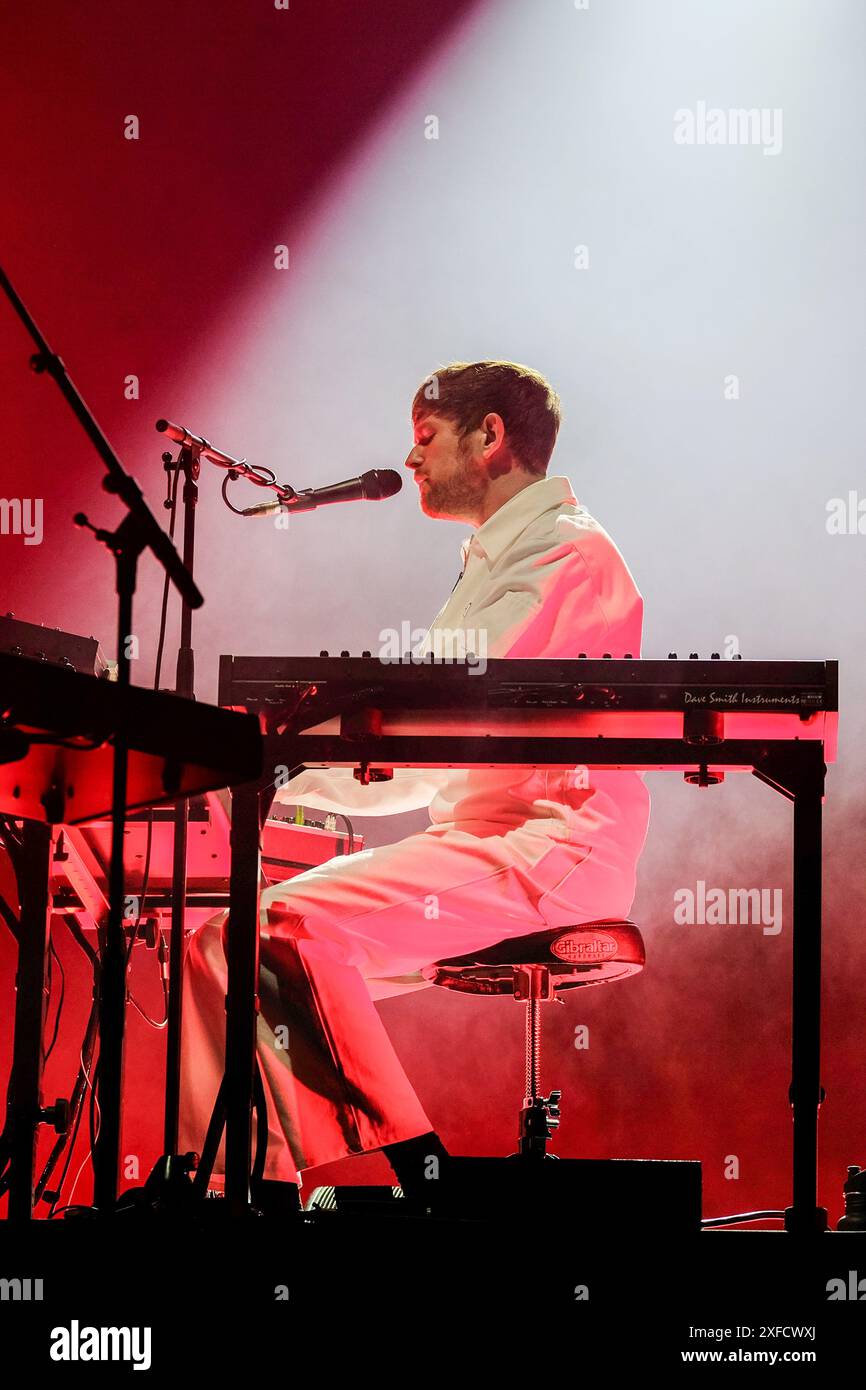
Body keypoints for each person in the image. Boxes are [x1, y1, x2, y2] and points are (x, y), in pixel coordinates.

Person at [178, 360, 651, 1203]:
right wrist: (277, 763)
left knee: (280, 928)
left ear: (491, 436)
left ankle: (415, 1185)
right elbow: (420, 743)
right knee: (221, 942)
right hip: (482, 837)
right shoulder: (499, 557)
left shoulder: (565, 554)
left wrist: (273, 761)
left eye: (426, 437)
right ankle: (240, 1188)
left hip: (550, 846)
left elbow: (434, 737)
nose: (411, 457)